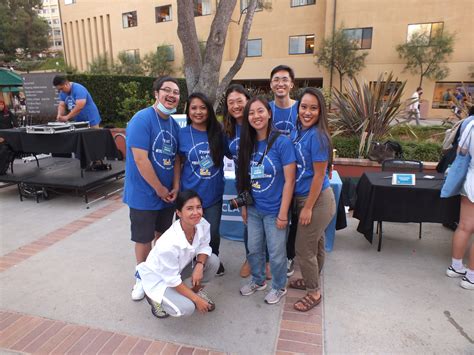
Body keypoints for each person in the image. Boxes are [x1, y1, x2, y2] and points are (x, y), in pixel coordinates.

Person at [123, 76, 182, 301]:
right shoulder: (141, 119)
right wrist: (158, 188)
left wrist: (175, 187)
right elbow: (140, 159)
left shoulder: (174, 124)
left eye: (176, 92)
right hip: (144, 194)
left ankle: (157, 270)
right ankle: (141, 276)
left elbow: (177, 158)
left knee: (163, 236)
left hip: (166, 195)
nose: (171, 95)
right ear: (156, 94)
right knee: (143, 238)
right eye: (167, 90)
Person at [237, 97, 296, 305]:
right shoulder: (248, 143)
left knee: (277, 254)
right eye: (251, 113)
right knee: (253, 249)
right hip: (254, 208)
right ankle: (258, 280)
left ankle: (279, 286)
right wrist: (243, 206)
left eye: (260, 111)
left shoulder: (282, 142)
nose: (256, 116)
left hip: (275, 211)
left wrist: (282, 213)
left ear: (269, 113)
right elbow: (244, 177)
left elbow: (290, 181)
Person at [288, 88, 336, 311]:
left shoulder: (318, 136)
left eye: (313, 108)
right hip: (306, 198)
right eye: (303, 107)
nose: (307, 112)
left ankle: (314, 292)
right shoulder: (300, 131)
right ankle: (311, 279)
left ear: (321, 111)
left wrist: (307, 208)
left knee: (303, 249)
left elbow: (319, 175)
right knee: (315, 244)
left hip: (316, 200)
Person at [137, 190, 220, 318]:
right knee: (187, 308)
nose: (196, 213)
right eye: (189, 208)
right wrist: (196, 301)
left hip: (177, 270)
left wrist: (199, 265)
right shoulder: (168, 244)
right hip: (159, 278)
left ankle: (195, 293)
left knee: (213, 261)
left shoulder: (202, 224)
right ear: (179, 213)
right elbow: (172, 280)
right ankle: (154, 298)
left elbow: (204, 246)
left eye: (198, 207)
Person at [178, 93, 226, 276]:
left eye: (203, 107)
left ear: (209, 110)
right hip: (189, 194)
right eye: (194, 108)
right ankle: (188, 263)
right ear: (188, 111)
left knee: (212, 233)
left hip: (212, 194)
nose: (198, 112)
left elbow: (234, 154)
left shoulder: (219, 132)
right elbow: (177, 161)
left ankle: (214, 261)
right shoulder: (182, 133)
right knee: (187, 233)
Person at [269, 64, 299, 276]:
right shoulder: (266, 108)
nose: (280, 83)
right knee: (275, 217)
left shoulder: (301, 107)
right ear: (271, 85)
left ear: (291, 84)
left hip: (298, 172)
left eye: (284, 79)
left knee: (295, 217)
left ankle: (289, 256)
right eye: (276, 79)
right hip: (272, 175)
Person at [446, 120, 474, 290]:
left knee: (463, 227)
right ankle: (471, 276)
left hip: (470, 180)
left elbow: (461, 151)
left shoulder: (471, 125)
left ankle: (455, 267)